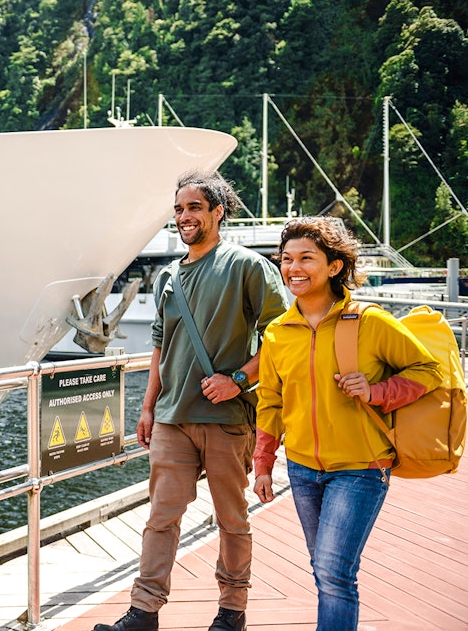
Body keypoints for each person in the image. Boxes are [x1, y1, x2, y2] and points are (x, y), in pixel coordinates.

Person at [94, 171, 288, 631]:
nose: (184, 217)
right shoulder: (167, 276)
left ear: (217, 212)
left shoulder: (246, 266)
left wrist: (239, 380)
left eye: (194, 207)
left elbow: (282, 336)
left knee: (231, 520)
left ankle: (232, 612)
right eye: (179, 209)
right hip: (172, 420)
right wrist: (147, 408)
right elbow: (160, 344)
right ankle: (143, 613)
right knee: (161, 518)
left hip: (226, 418)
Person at [252, 217, 439, 630]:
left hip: (361, 467)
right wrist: (264, 464)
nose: (293, 268)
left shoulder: (369, 321)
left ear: (334, 267)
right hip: (301, 469)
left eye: (306, 258)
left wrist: (376, 392)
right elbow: (270, 402)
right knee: (324, 570)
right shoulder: (278, 333)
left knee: (335, 572)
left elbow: (430, 371)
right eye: (286, 259)